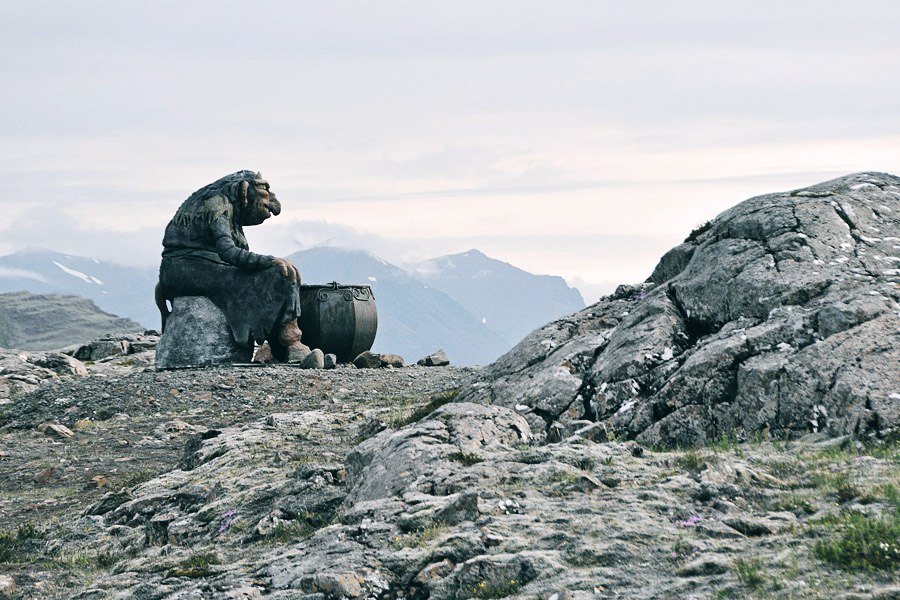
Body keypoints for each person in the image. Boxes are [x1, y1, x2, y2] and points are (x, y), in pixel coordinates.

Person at [155, 170, 307, 361]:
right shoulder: (218, 205)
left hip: (175, 273)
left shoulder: (211, 202)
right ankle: (290, 341)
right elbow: (229, 252)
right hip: (195, 272)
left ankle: (276, 347)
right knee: (281, 274)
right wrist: (270, 261)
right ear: (245, 192)